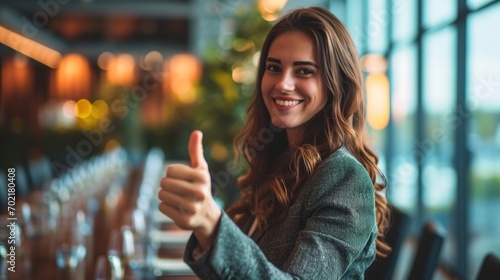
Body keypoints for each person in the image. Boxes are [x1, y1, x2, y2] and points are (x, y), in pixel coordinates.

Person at [158, 6, 390, 279]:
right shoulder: (278, 157)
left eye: (304, 71)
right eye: (273, 68)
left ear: (336, 84)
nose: (283, 83)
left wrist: (211, 224)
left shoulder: (345, 177)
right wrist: (204, 226)